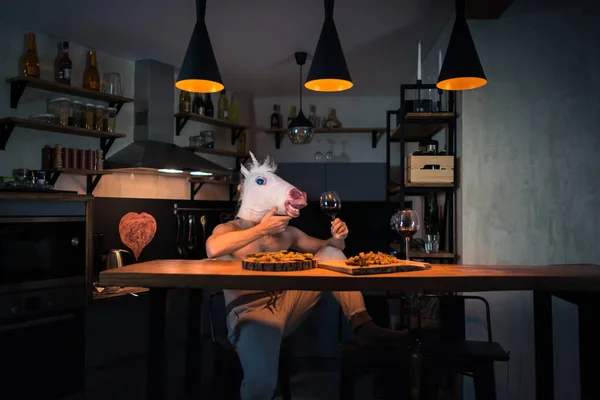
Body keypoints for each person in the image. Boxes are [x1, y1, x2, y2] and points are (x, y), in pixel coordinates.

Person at [206, 153, 405, 400]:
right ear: (241, 190)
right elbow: (213, 248)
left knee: (330, 253)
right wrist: (260, 229)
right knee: (260, 388)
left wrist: (338, 237)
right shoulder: (228, 229)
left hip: (287, 305)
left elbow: (330, 248)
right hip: (249, 313)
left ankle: (362, 324)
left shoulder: (288, 233)